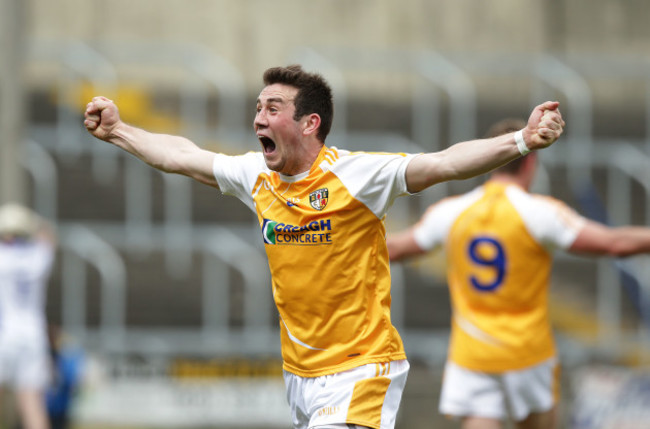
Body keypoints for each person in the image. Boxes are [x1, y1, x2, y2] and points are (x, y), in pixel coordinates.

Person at [83, 65, 565, 429]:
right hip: (300, 375)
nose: (258, 118)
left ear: (310, 123)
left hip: (361, 367)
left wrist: (520, 141)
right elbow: (182, 156)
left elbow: (443, 163)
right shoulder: (256, 176)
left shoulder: (358, 176)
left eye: (273, 109)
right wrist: (119, 131)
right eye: (257, 108)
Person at [386, 117, 650, 429]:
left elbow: (395, 249)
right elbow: (614, 244)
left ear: (488, 158)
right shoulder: (540, 213)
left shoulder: (451, 212)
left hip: (474, 355)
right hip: (528, 355)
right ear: (530, 163)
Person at [0, 203, 56, 429]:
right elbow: (48, 234)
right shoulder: (39, 256)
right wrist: (32, 223)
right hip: (33, 337)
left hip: (4, 336)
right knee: (32, 404)